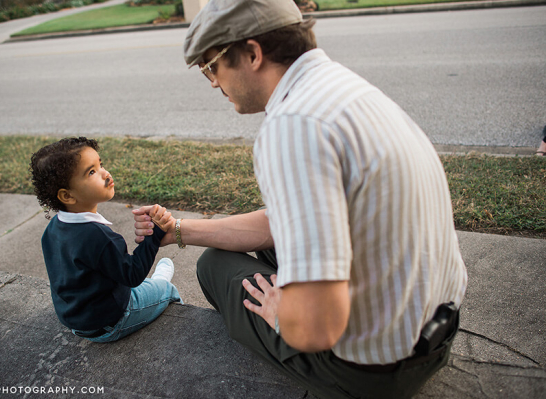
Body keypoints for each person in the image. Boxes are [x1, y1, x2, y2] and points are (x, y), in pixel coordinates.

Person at [134, 0, 468, 397]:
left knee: (214, 266)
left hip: (374, 371)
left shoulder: (290, 126)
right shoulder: (338, 86)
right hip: (434, 329)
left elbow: (315, 329)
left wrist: (284, 314)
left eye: (212, 67)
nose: (212, 83)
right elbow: (282, 223)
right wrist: (180, 231)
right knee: (257, 249)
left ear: (253, 53)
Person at [30, 137, 181, 343]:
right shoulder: (98, 237)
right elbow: (132, 275)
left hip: (77, 320)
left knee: (129, 279)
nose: (105, 173)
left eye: (100, 164)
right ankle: (166, 294)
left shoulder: (54, 228)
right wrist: (154, 236)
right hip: (111, 321)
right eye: (91, 172)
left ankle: (154, 283)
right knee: (166, 290)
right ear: (67, 196)